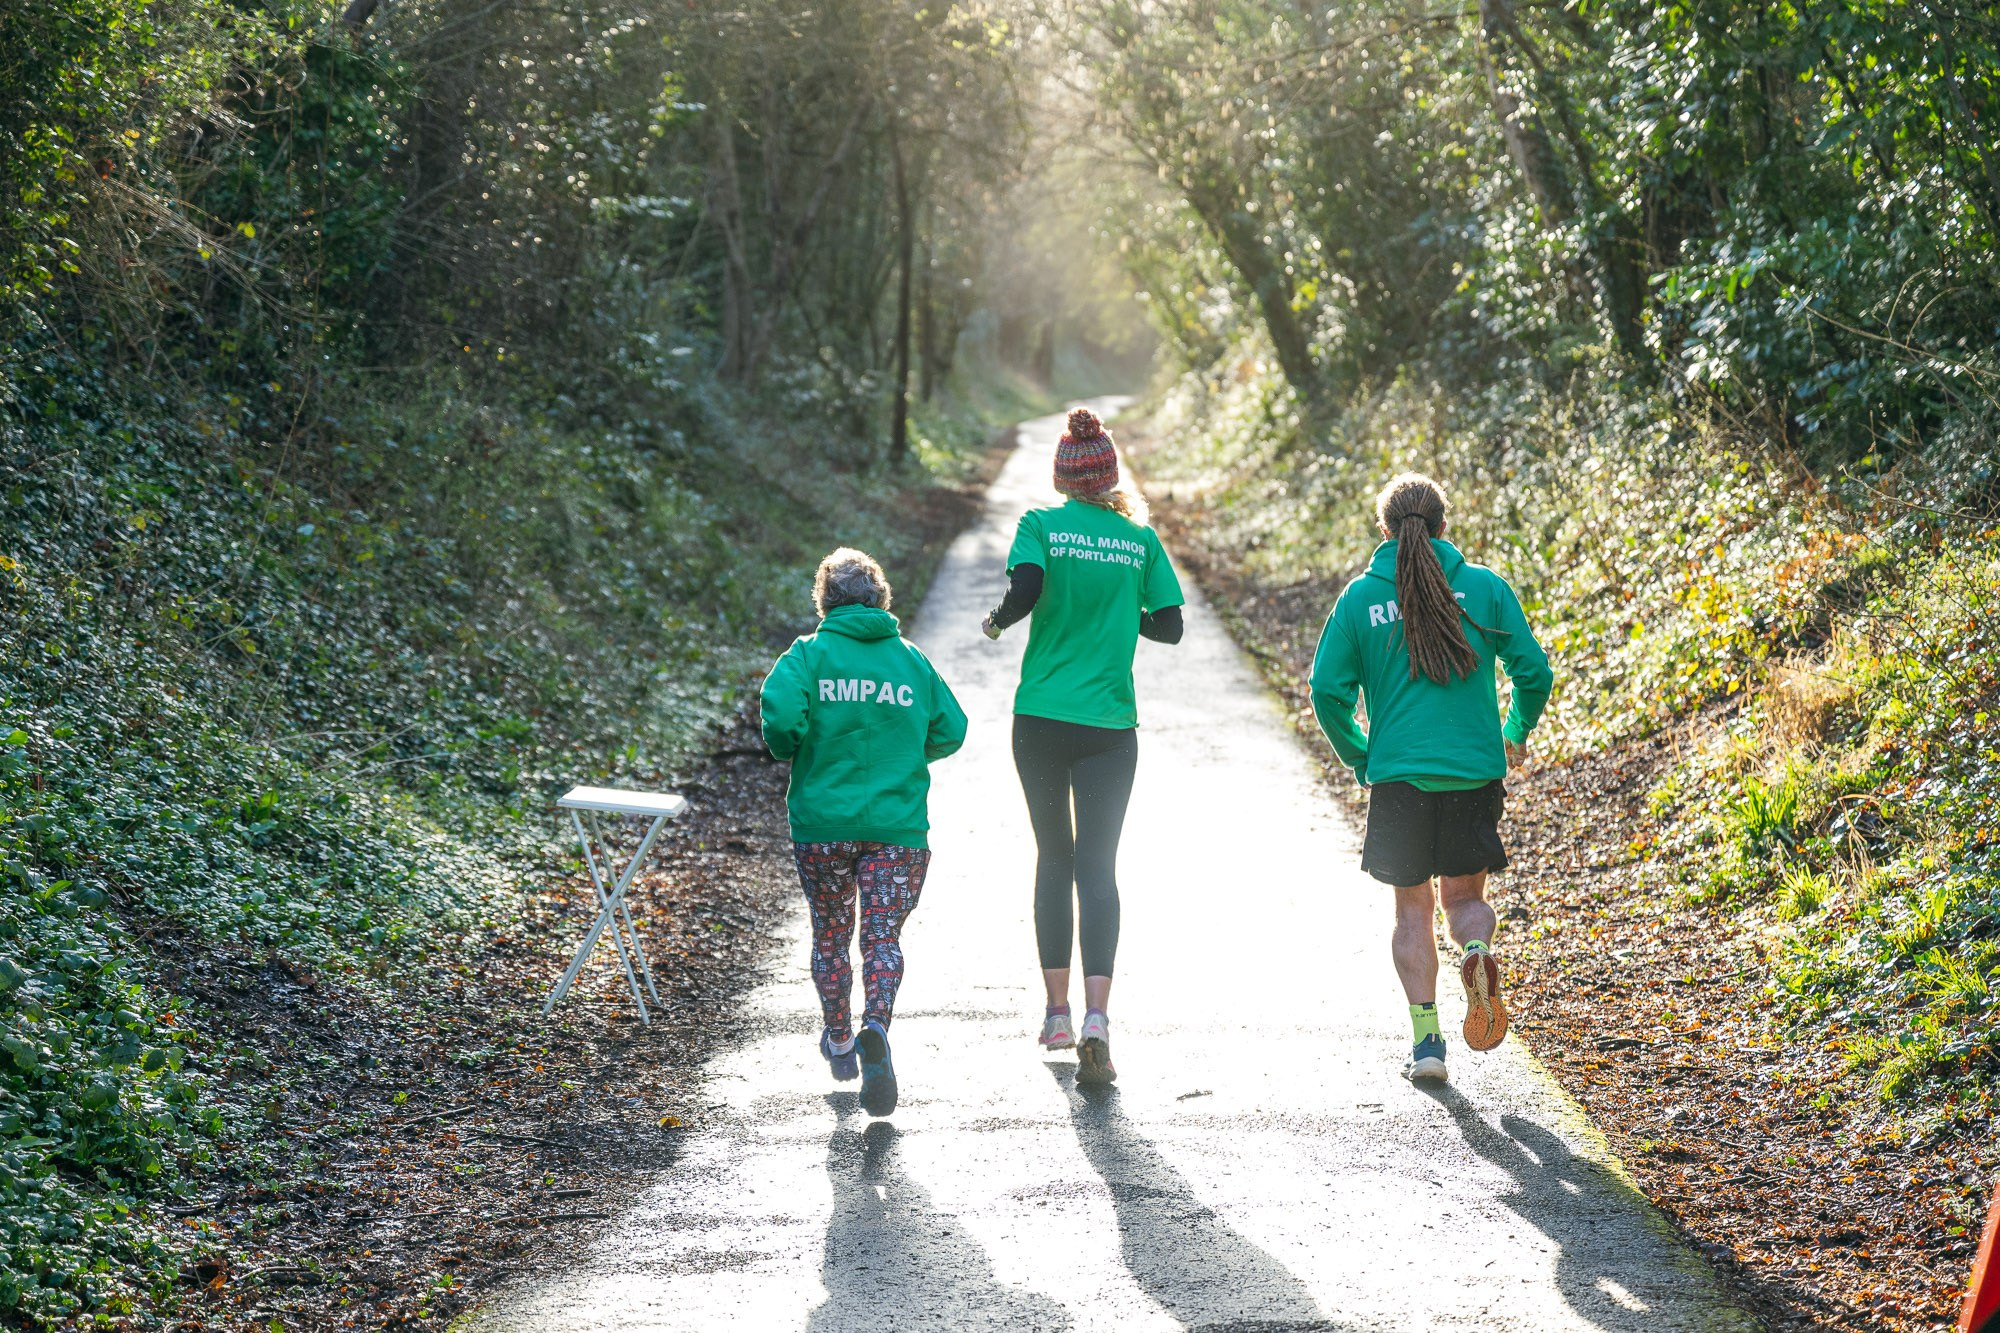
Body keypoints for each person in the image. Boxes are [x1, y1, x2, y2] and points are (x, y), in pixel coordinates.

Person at [1308, 472, 1553, 1084]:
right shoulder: (1484, 589)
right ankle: (1476, 952)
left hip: (1401, 780)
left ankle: (1427, 1044)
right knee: (1465, 901)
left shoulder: (1360, 602)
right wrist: (1515, 732)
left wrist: (1361, 755)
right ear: (1444, 528)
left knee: (1411, 916)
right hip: (1474, 774)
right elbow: (1534, 673)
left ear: (1385, 531)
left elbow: (1325, 692)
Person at [981, 407, 1185, 1086]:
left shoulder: (1040, 525)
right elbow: (1172, 626)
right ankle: (1100, 1016)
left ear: (1065, 477)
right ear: (1111, 475)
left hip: (1040, 717)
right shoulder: (1138, 537)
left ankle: (1058, 1012)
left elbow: (1028, 586)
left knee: (1054, 857)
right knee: (1099, 865)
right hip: (1108, 726)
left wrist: (997, 620)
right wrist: (1122, 609)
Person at [762, 548, 968, 1116]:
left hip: (822, 825)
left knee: (831, 933)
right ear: (880, 599)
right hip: (897, 829)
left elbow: (780, 724)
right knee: (882, 937)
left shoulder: (806, 655)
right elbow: (951, 729)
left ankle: (841, 1039)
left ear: (825, 601)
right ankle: (877, 1022)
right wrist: (907, 754)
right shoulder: (910, 660)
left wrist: (794, 748)